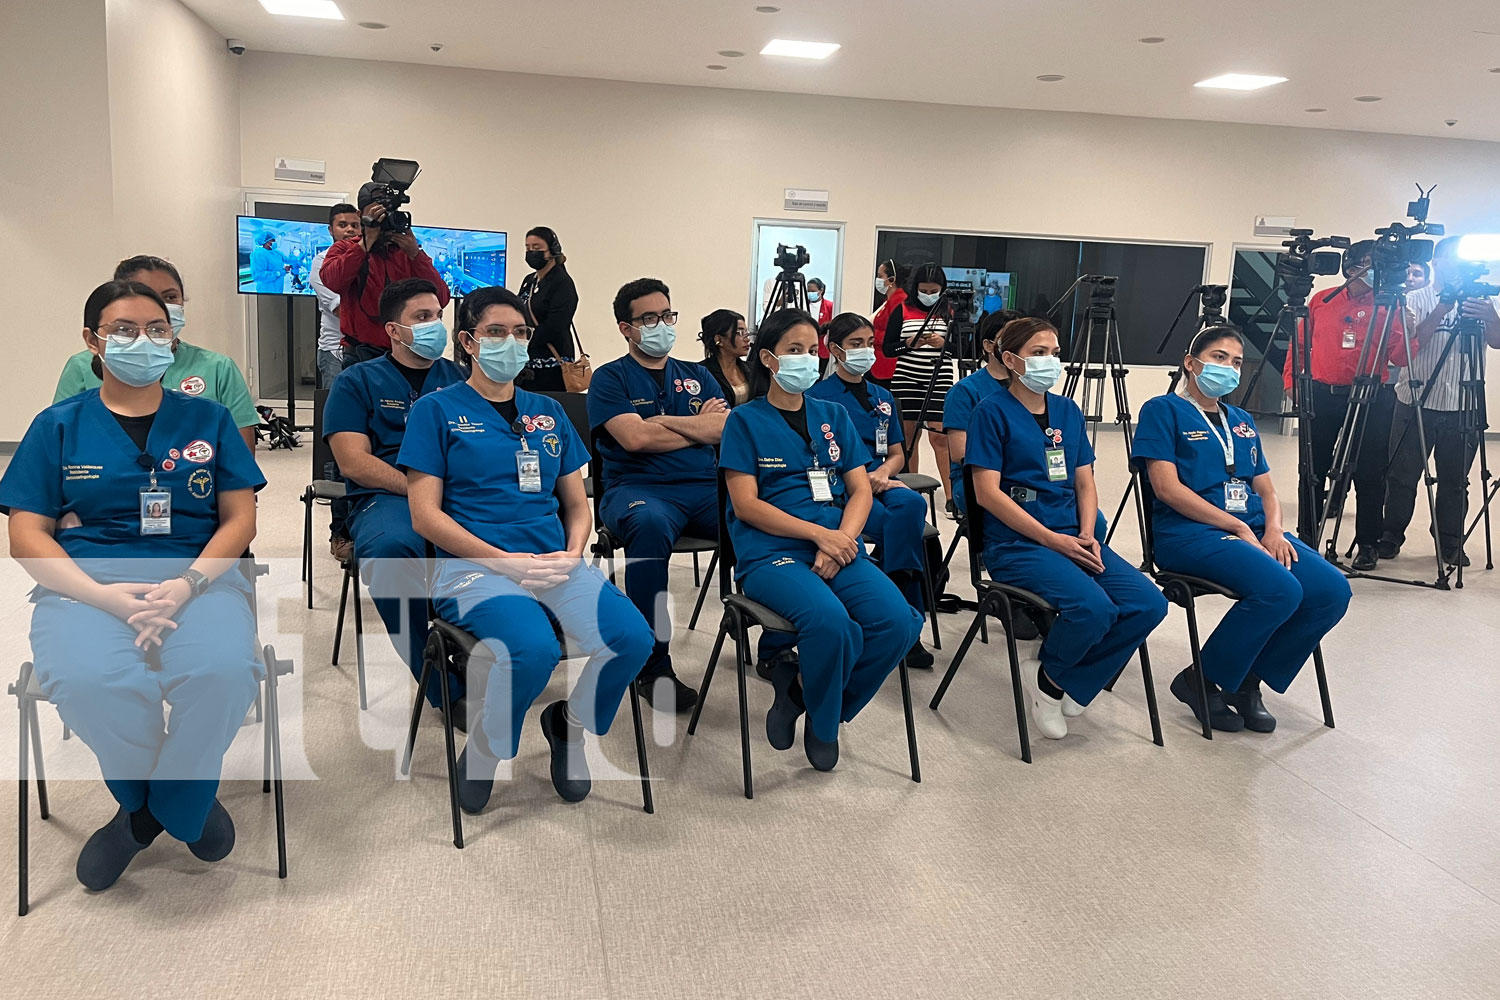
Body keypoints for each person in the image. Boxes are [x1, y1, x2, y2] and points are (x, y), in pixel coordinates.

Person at [1, 279, 265, 891]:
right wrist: (100, 597)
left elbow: (241, 518)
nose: (142, 341)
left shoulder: (209, 419)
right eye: (123, 330)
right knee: (93, 681)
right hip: (84, 586)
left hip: (198, 580)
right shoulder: (58, 426)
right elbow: (26, 536)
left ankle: (146, 814)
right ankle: (182, 801)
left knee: (223, 672)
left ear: (173, 336)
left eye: (156, 328)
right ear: (92, 340)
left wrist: (190, 583)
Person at [397, 285, 652, 810]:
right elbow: (425, 515)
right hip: (475, 570)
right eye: (496, 332)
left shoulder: (548, 411)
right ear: (467, 341)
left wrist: (574, 551)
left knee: (632, 638)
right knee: (532, 649)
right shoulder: (436, 411)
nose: (510, 342)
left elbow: (578, 504)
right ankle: (488, 746)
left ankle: (569, 726)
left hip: (555, 564)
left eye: (520, 332)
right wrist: (504, 563)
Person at [719, 308, 924, 771]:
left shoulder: (833, 415)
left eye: (812, 351)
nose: (807, 360)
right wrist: (820, 536)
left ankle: (800, 694)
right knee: (832, 624)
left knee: (898, 622)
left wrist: (844, 539)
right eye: (795, 351)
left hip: (836, 540)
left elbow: (858, 490)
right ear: (769, 359)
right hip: (770, 552)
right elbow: (747, 505)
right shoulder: (744, 421)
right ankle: (824, 724)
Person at [1135, 326, 1352, 733]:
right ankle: (1202, 678)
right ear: (1190, 363)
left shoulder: (1242, 420)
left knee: (1330, 591)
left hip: (1252, 530)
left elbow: (1266, 489)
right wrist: (1236, 525)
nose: (1229, 368)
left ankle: (1245, 679)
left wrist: (1274, 529)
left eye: (1236, 361)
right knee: (1280, 589)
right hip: (1189, 533)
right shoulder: (1162, 411)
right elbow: (1166, 488)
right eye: (1219, 358)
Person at [965, 317, 1167, 741]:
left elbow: (1084, 480)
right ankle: (1051, 683)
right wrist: (1051, 539)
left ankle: (1064, 676)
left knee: (1148, 603)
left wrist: (1088, 532)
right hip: (1017, 544)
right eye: (1039, 353)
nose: (1050, 361)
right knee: (1094, 609)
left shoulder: (1068, 411)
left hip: (1072, 536)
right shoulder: (990, 412)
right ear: (1010, 359)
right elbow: (987, 494)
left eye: (1055, 353)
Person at [323, 278, 467, 721]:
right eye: (422, 318)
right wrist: (423, 492)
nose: (434, 326)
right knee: (391, 551)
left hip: (459, 493)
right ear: (393, 330)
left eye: (438, 317)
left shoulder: (461, 378)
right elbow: (353, 462)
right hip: (386, 497)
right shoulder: (356, 381)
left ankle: (483, 647)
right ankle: (443, 685)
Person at [808, 313, 935, 669]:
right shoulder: (818, 398)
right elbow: (822, 458)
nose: (865, 351)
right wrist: (864, 477)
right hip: (845, 487)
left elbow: (897, 454)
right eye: (855, 344)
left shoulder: (883, 395)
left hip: (882, 479)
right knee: (900, 528)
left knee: (910, 503)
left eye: (869, 344)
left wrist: (883, 472)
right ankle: (907, 612)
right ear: (835, 350)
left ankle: (894, 589)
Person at [1285, 241, 1413, 569]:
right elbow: (1298, 345)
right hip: (1321, 394)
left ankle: (1367, 543)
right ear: (1350, 267)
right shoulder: (1321, 301)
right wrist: (1292, 383)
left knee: (1370, 473)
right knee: (1311, 470)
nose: (1372, 272)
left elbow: (1399, 357)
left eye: (1377, 266)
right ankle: (1306, 537)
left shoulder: (1390, 304)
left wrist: (1409, 329)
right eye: (1366, 264)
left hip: (1372, 398)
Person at [54, 256, 260, 453]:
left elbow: (239, 465)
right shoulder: (81, 367)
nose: (158, 306)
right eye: (145, 294)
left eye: (170, 297)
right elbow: (60, 445)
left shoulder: (218, 368)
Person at [1380, 236, 1500, 567]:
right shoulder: (1414, 298)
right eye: (1453, 258)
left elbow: (1497, 341)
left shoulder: (1481, 299)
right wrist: (1443, 307)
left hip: (1463, 402)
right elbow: (1408, 345)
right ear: (1437, 262)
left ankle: (1449, 541)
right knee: (1401, 476)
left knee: (1455, 480)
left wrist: (1490, 317)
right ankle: (1390, 535)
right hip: (1415, 399)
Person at [318, 182, 451, 367]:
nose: (383, 218)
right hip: (361, 354)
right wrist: (365, 244)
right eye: (376, 212)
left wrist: (415, 254)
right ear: (360, 215)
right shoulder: (346, 248)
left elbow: (441, 298)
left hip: (407, 351)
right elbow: (333, 281)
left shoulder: (407, 252)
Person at [882, 263, 956, 510]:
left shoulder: (949, 311)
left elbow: (962, 349)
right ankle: (912, 490)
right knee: (908, 438)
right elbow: (888, 349)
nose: (929, 294)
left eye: (934, 290)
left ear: (942, 289)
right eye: (924, 290)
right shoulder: (903, 309)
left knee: (941, 438)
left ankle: (950, 496)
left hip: (939, 379)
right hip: (906, 379)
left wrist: (942, 343)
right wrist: (908, 343)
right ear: (916, 288)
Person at [943, 309, 1021, 517]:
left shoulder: (1030, 388)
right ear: (988, 345)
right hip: (978, 478)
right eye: (1009, 339)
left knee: (1093, 521)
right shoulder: (966, 391)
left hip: (1029, 475)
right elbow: (960, 452)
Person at [517, 226, 580, 392]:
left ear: (552, 250)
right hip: (526, 362)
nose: (531, 252)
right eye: (527, 248)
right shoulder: (529, 280)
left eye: (536, 248)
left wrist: (524, 339)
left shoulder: (562, 282)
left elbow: (556, 324)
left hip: (552, 366)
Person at [310, 203, 363, 389]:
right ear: (331, 230)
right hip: (336, 351)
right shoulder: (321, 263)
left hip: (367, 351)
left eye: (355, 225)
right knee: (336, 413)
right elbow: (343, 311)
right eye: (342, 225)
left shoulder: (369, 259)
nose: (350, 230)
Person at [699, 309, 752, 406]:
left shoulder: (752, 369)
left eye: (746, 333)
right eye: (739, 333)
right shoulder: (701, 373)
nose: (747, 339)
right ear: (719, 339)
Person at [869, 259, 906, 387]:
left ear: (891, 280)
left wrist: (871, 338)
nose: (877, 280)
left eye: (880, 276)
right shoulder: (887, 301)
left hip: (888, 364)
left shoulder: (900, 302)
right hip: (878, 361)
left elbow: (894, 334)